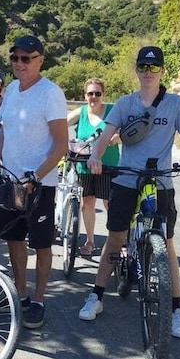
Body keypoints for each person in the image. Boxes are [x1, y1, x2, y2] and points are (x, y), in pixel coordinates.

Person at [78, 45, 180, 339]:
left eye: (154, 67)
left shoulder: (176, 104)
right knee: (115, 239)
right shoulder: (126, 104)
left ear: (163, 71)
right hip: (127, 180)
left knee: (166, 245)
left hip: (161, 182)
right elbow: (105, 137)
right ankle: (97, 296)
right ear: (137, 70)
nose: (148, 72)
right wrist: (94, 157)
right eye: (143, 67)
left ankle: (178, 310)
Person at [0, 35, 68, 329]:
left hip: (40, 184)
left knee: (41, 244)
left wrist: (36, 176)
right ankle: (21, 294)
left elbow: (61, 144)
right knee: (14, 240)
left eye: (27, 58)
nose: (20, 63)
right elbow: (2, 128)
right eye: (15, 58)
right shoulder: (11, 89)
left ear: (40, 60)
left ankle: (38, 299)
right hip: (11, 180)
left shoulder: (51, 93)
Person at [66, 78, 120, 257]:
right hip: (85, 165)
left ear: (103, 94)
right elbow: (59, 124)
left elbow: (124, 132)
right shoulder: (80, 113)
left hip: (108, 165)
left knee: (110, 204)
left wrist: (117, 137)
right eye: (90, 93)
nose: (94, 97)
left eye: (98, 93)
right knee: (87, 202)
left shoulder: (112, 111)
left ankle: (118, 241)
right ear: (85, 95)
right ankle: (90, 241)